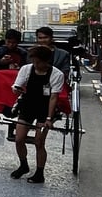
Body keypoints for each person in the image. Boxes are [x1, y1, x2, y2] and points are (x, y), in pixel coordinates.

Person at [8, 45, 65, 184]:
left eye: (38, 62)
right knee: (19, 139)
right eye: (33, 61)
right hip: (28, 105)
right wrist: (16, 90)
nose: (35, 65)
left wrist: (49, 118)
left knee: (39, 142)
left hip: (45, 108)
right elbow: (17, 86)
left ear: (46, 61)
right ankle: (23, 165)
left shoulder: (56, 74)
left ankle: (39, 173)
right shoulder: (26, 69)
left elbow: (53, 98)